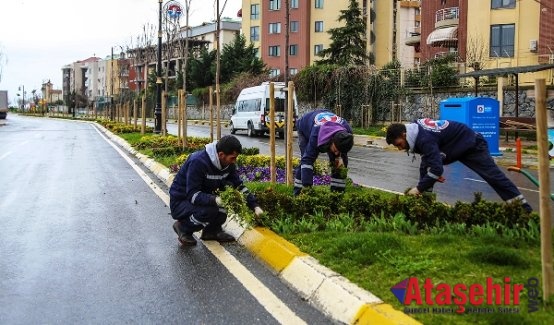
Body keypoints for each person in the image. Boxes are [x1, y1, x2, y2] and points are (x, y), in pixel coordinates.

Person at [385, 118, 532, 212]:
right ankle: (425, 206)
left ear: (404, 135)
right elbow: (427, 164)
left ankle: (524, 210)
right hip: (455, 146)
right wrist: (423, 186)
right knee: (426, 170)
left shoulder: (424, 139)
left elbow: (436, 168)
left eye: (399, 144)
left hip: (472, 145)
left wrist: (417, 189)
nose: (400, 148)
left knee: (494, 177)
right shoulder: (415, 131)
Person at [169, 135, 264, 246]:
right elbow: (192, 195)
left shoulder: (229, 165)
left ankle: (211, 232)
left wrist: (255, 206)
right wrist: (215, 200)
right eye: (232, 158)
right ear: (221, 155)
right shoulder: (198, 162)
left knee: (223, 204)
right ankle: (183, 227)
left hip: (201, 199)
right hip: (181, 201)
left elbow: (239, 186)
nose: (234, 161)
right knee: (210, 210)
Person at [294, 109, 354, 195]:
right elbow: (307, 160)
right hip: (305, 126)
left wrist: (340, 160)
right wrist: (308, 189)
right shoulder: (316, 135)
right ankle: (299, 193)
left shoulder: (347, 133)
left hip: (328, 123)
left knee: (339, 163)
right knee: (305, 161)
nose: (337, 153)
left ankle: (337, 193)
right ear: (332, 140)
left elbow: (341, 157)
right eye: (336, 150)